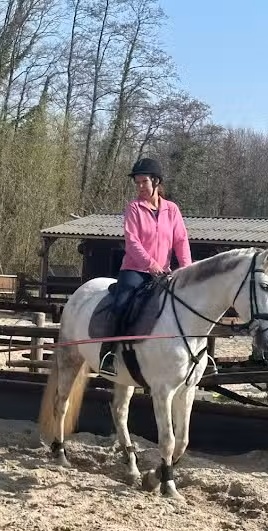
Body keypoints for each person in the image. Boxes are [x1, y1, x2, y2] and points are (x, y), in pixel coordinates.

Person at [99, 157, 193, 376]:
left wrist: (186, 269)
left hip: (164, 272)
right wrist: (150, 265)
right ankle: (109, 354)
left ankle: (195, 355)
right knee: (121, 305)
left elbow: (181, 240)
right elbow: (132, 242)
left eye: (144, 182)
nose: (140, 187)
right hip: (135, 271)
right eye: (138, 183)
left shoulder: (172, 210)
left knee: (185, 305)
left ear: (156, 182)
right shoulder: (133, 209)